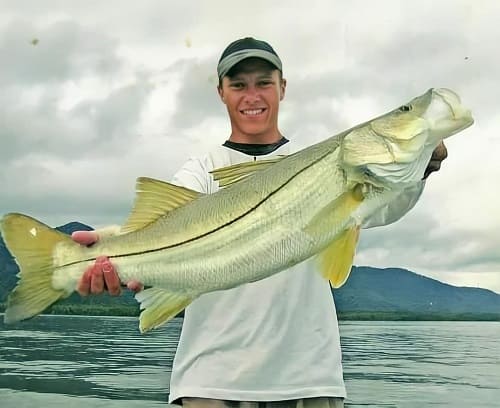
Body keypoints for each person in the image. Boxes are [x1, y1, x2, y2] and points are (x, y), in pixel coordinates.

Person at [72, 37, 448, 407]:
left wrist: (423, 165)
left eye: (264, 83)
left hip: (309, 380)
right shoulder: (201, 170)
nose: (252, 96)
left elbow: (388, 205)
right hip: (211, 382)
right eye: (238, 85)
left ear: (282, 87)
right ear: (221, 92)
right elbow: (162, 229)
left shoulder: (325, 166)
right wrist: (107, 248)